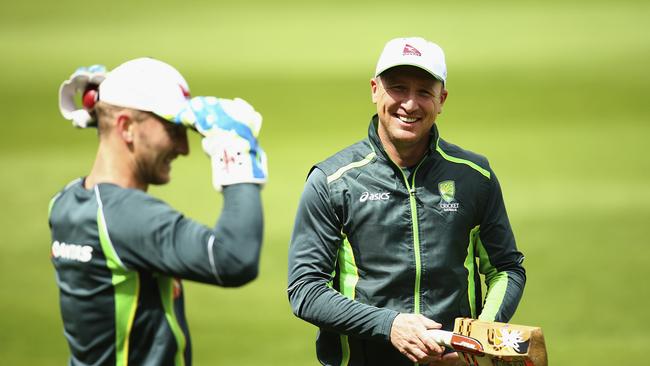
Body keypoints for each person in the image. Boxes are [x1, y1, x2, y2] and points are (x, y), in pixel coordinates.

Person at [287, 37, 526, 365]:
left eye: (424, 92)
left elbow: (506, 269)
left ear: (441, 99)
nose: (410, 104)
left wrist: (476, 339)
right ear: (374, 90)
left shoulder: (475, 177)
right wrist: (389, 325)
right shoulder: (332, 181)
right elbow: (306, 290)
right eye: (398, 88)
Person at [49, 57, 268, 365]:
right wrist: (236, 154)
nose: (184, 148)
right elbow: (235, 258)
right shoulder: (126, 218)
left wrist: (106, 100)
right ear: (126, 127)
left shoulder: (65, 203)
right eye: (173, 129)